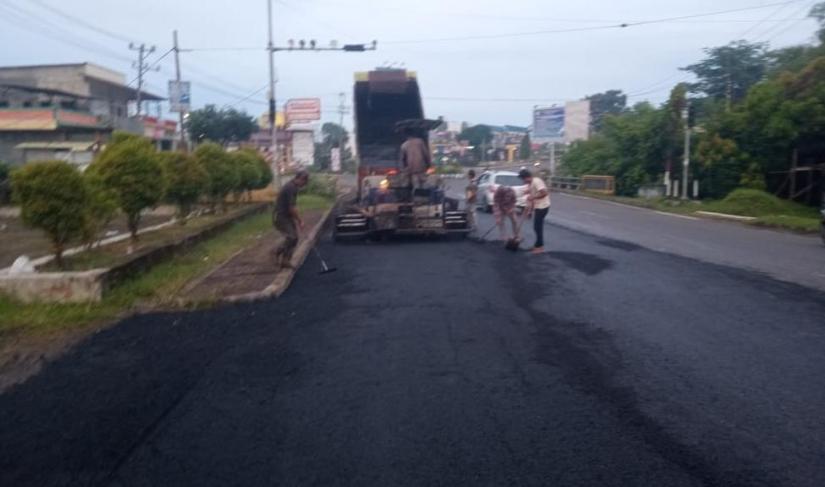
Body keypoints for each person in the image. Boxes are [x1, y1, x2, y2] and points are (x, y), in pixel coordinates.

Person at [272, 170, 309, 270]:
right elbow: (291, 208)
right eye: (304, 183)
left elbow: (292, 207)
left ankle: (285, 260)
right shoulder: (290, 188)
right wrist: (300, 221)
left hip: (287, 216)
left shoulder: (294, 187)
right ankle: (277, 251)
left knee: (295, 238)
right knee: (292, 237)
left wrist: (296, 219)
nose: (303, 185)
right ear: (300, 179)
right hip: (280, 216)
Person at [519, 169, 551, 254]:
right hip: (538, 207)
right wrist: (530, 211)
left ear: (526, 177)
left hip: (543, 206)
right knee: (536, 227)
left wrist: (533, 197)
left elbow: (544, 193)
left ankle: (540, 247)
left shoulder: (537, 181)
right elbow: (532, 199)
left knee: (538, 227)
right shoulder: (530, 184)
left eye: (523, 179)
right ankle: (537, 245)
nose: (523, 181)